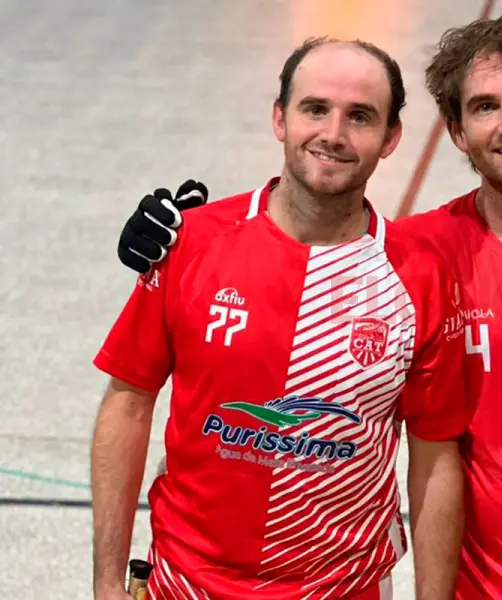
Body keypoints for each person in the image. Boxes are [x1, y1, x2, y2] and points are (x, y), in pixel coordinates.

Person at [110, 11, 502, 600]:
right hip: (482, 587)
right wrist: (177, 237)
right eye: (485, 107)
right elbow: (306, 246)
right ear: (457, 132)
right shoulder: (415, 256)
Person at [91, 38, 472, 600]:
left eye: (360, 116)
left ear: (391, 138)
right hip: (186, 585)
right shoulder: (191, 242)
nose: (334, 134)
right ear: (279, 118)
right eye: (315, 109)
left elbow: (435, 457)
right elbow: (127, 403)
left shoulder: (419, 278)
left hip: (345, 589)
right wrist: (105, 581)